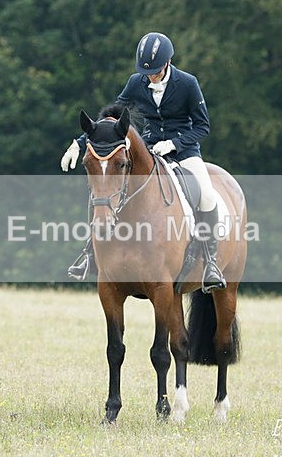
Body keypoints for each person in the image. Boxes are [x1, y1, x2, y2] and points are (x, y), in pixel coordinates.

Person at [60, 32, 226, 292]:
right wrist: (79, 143)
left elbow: (203, 126)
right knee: (104, 189)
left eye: (156, 72)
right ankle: (90, 252)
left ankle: (211, 262)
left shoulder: (187, 83)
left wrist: (174, 144)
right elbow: (110, 118)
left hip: (184, 152)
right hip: (147, 150)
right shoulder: (136, 82)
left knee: (206, 195)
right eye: (146, 73)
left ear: (168, 63)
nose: (151, 77)